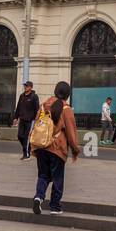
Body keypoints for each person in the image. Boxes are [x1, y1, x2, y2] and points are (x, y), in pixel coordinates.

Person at [32, 81, 78, 215]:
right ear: (67, 95)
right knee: (57, 178)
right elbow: (71, 132)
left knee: (43, 175)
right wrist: (75, 150)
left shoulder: (43, 106)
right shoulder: (66, 109)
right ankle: (55, 206)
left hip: (41, 146)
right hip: (56, 148)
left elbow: (37, 124)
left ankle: (38, 197)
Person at [13, 80, 39, 159]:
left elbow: (37, 109)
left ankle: (26, 154)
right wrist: (15, 118)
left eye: (27, 86)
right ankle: (28, 148)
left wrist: (36, 120)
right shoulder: (22, 96)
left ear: (31, 87)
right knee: (20, 136)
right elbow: (18, 107)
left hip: (30, 120)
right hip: (22, 119)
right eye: (25, 86)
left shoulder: (34, 96)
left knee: (27, 137)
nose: (25, 87)